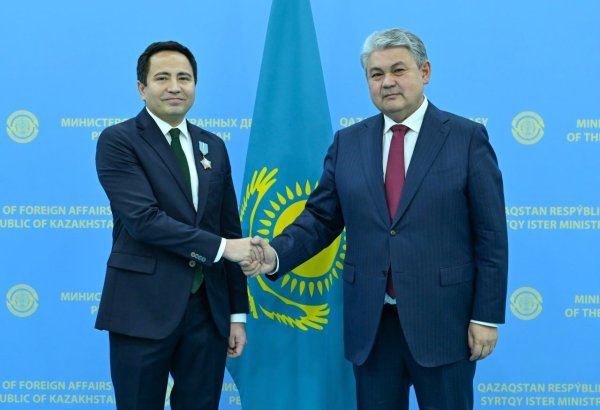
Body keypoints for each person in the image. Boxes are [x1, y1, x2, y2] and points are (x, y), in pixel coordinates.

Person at [243, 28, 508, 409]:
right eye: (376, 74)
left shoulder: (466, 138)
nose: (387, 82)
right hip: (372, 324)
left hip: (444, 322)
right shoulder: (348, 142)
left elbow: (491, 235)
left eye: (398, 70)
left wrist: (486, 316)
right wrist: (275, 254)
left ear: (425, 72)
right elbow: (320, 218)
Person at [95, 41, 259, 410]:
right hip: (141, 309)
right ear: (142, 88)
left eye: (184, 78)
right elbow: (143, 221)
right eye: (162, 78)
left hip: (207, 310)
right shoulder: (118, 141)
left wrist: (236, 315)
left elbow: (229, 228)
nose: (174, 87)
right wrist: (222, 248)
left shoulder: (212, 146)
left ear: (195, 86)